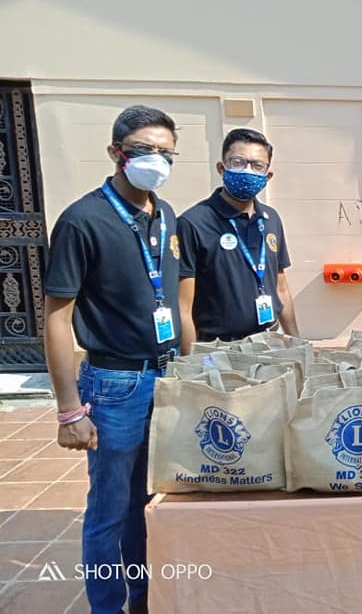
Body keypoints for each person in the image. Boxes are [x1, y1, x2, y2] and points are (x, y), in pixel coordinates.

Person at [44, 105, 181, 614]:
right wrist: (69, 410)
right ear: (116, 152)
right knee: (110, 508)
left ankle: (144, 599)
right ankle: (106, 605)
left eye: (166, 153)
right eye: (144, 150)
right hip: (114, 385)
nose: (156, 161)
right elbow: (56, 317)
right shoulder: (83, 220)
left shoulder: (164, 215)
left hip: (165, 378)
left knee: (146, 505)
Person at [177, 128, 299, 352]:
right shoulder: (193, 223)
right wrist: (190, 360)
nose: (248, 170)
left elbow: (281, 287)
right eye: (239, 162)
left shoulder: (271, 219)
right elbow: (182, 306)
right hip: (220, 349)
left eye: (257, 165)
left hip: (270, 344)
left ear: (268, 175)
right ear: (221, 168)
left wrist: (296, 343)